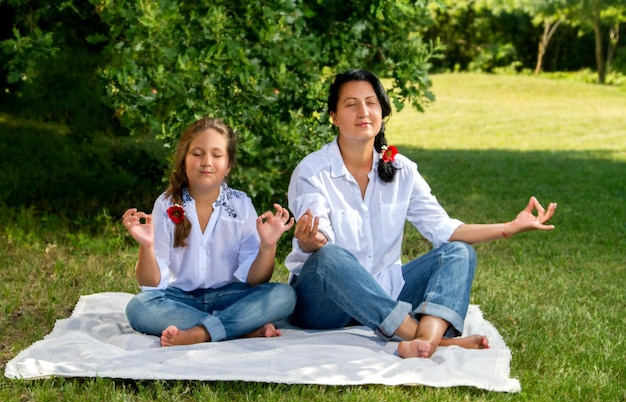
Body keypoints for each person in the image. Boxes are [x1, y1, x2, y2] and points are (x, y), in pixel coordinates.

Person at [285, 69, 557, 359]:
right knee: (330, 256)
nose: (363, 112)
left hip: (386, 292)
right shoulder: (313, 170)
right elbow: (319, 239)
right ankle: (431, 339)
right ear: (334, 116)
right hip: (324, 305)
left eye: (371, 102)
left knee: (458, 253)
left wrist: (509, 227)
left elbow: (444, 229)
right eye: (351, 104)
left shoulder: (401, 169)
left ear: (382, 110)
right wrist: (310, 240)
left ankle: (423, 343)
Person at [122, 116, 296, 347]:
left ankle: (199, 334)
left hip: (230, 297)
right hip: (179, 301)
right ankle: (240, 328)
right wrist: (147, 246)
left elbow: (256, 280)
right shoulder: (165, 205)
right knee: (139, 308)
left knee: (284, 296)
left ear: (229, 165)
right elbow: (150, 282)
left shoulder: (241, 205)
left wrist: (267, 246)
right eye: (197, 153)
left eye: (216, 155)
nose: (206, 162)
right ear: (184, 159)